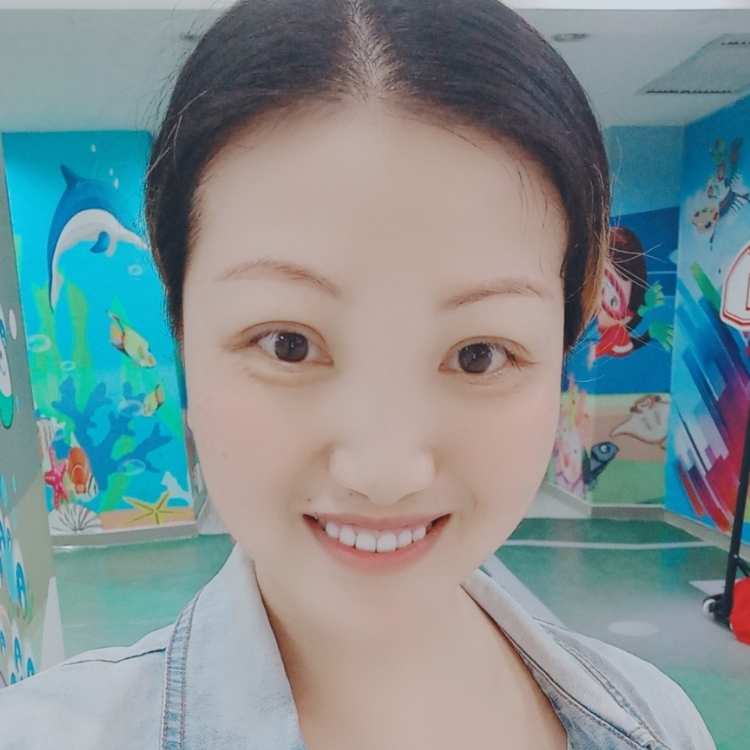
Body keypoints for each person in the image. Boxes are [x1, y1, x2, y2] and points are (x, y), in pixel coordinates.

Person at [0, 1, 717, 748]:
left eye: (478, 354)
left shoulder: (660, 725)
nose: (385, 473)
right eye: (288, 345)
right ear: (182, 331)